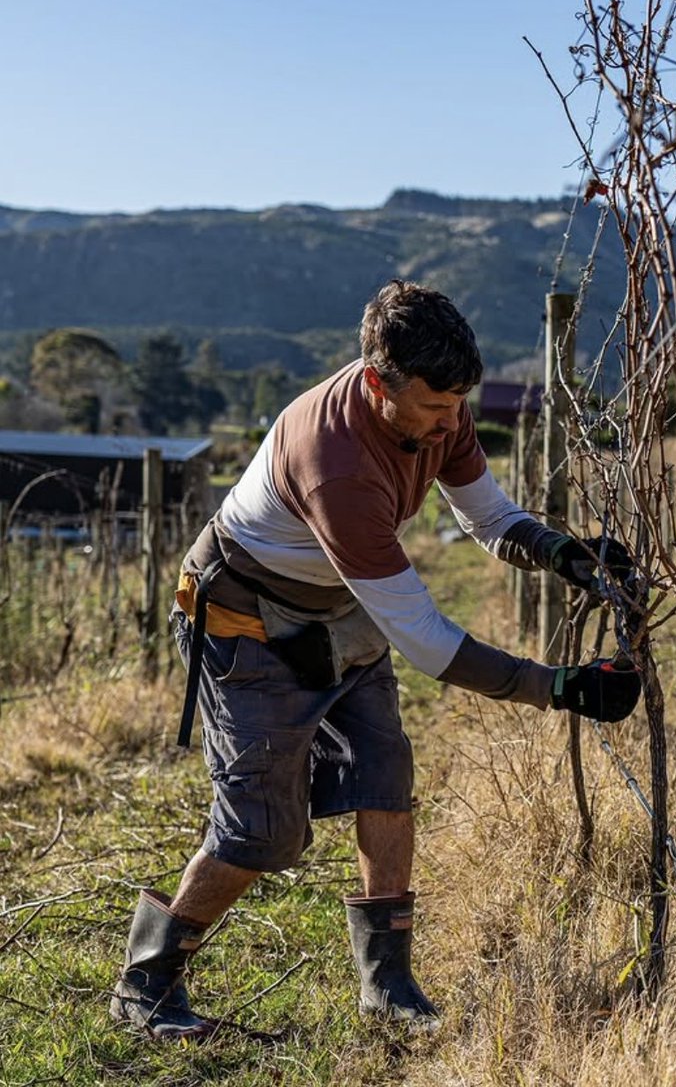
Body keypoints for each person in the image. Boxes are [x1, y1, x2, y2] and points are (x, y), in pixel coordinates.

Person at [110, 279, 640, 1040]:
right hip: (248, 621)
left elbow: (487, 515)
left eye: (458, 404)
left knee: (384, 774)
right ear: (375, 384)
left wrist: (563, 553)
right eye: (433, 407)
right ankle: (146, 983)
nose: (451, 422)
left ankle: (387, 986)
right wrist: (556, 687)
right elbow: (424, 639)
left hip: (339, 606)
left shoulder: (438, 405)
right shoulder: (337, 467)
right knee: (261, 832)